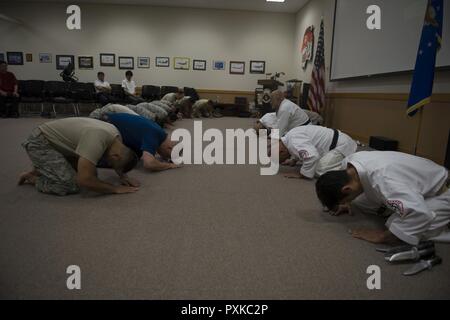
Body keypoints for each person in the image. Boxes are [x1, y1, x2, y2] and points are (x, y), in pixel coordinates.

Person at [315, 151, 450, 245]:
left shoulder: (385, 181)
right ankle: (400, 203)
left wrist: (381, 236)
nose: (346, 203)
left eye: (345, 200)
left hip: (442, 191)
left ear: (346, 189)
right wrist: (347, 202)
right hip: (418, 180)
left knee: (407, 228)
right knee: (359, 201)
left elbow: (421, 214)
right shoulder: (350, 162)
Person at [18, 118, 139, 196]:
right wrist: (114, 189)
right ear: (116, 156)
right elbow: (84, 180)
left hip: (62, 144)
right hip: (40, 143)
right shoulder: (96, 139)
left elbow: (120, 159)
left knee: (93, 175)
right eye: (112, 164)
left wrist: (123, 176)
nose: (109, 164)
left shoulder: (117, 138)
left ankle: (44, 168)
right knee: (72, 185)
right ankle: (32, 177)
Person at [104, 113, 181, 172]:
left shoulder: (160, 133)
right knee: (123, 160)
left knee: (137, 155)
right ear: (169, 148)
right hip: (104, 125)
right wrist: (169, 165)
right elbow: (149, 164)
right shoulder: (155, 136)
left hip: (110, 120)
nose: (165, 158)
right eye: (168, 156)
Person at [277, 125, 357, 179]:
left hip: (342, 146)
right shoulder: (289, 137)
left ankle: (352, 169)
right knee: (312, 164)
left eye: (282, 159)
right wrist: (294, 160)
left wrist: (302, 174)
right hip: (339, 141)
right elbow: (301, 148)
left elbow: (312, 156)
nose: (284, 160)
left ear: (281, 152)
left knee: (318, 170)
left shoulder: (293, 142)